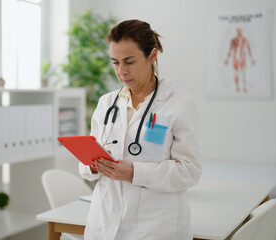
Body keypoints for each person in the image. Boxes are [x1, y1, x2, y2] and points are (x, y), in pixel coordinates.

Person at [79, 19, 201, 240]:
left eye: (129, 61)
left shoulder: (179, 103)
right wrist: (93, 165)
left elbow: (189, 171)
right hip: (104, 224)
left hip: (156, 227)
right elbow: (86, 164)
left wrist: (134, 172)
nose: (121, 71)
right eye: (115, 62)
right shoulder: (107, 104)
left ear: (152, 56)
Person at [224, 27, 255, 93]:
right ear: (237, 32)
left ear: (242, 32)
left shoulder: (245, 40)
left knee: (243, 72)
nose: (239, 32)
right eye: (238, 31)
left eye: (240, 31)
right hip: (235, 58)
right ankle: (237, 87)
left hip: (242, 58)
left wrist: (251, 58)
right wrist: (227, 59)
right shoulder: (233, 40)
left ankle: (244, 86)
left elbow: (249, 49)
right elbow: (230, 49)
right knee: (236, 72)